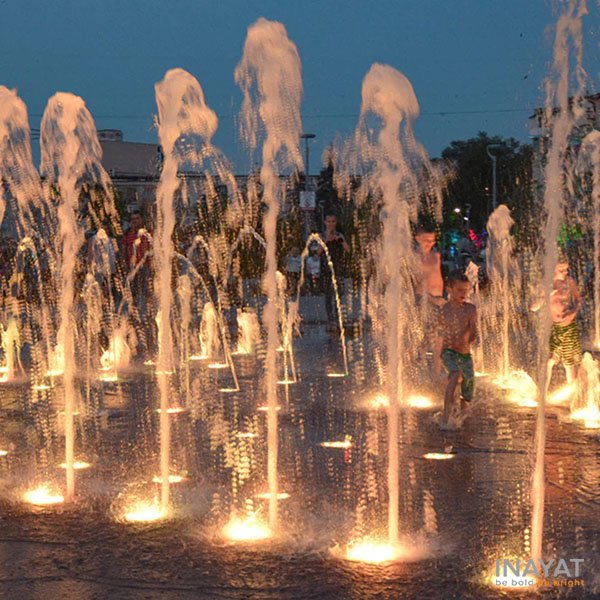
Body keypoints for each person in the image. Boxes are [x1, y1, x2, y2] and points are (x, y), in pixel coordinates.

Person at [531, 258, 582, 389]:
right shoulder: (546, 284)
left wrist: (573, 313)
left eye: (566, 269)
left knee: (568, 363)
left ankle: (574, 396)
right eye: (562, 269)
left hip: (568, 327)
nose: (565, 272)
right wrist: (544, 297)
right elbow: (533, 308)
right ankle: (542, 395)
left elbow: (578, 300)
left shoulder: (569, 282)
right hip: (555, 328)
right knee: (548, 360)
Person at [437, 270, 478, 427]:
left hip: (465, 354)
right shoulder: (444, 310)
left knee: (467, 391)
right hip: (448, 352)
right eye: (460, 290)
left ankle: (462, 416)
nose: (464, 293)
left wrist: (472, 337)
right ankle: (446, 416)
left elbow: (473, 328)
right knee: (455, 375)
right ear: (450, 290)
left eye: (466, 290)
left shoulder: (470, 309)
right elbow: (436, 331)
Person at [414, 224, 445, 376]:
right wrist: (431, 299)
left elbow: (438, 278)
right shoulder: (413, 258)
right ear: (417, 239)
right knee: (434, 335)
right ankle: (418, 356)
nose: (430, 243)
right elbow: (415, 284)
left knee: (439, 339)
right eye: (426, 240)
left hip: (439, 299)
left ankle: (436, 375)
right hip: (424, 300)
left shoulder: (436, 256)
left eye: (432, 240)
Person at [320, 213, 350, 329]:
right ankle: (330, 320)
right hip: (326, 269)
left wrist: (340, 240)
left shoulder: (339, 235)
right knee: (328, 296)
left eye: (333, 221)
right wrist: (326, 241)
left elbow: (348, 250)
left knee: (339, 294)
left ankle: (338, 319)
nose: (331, 224)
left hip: (338, 268)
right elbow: (317, 253)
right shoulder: (321, 236)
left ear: (335, 222)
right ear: (325, 222)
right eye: (329, 221)